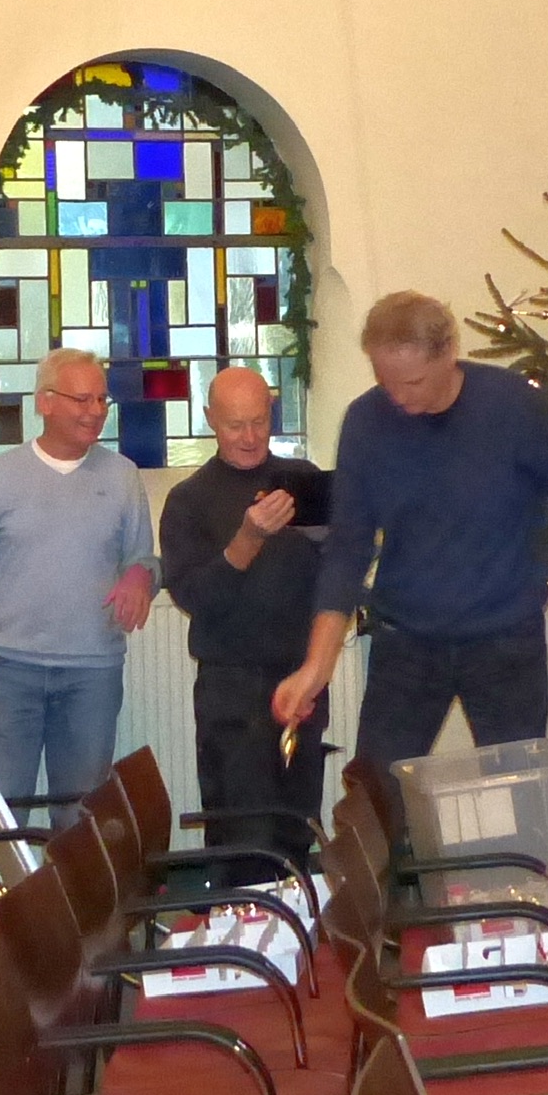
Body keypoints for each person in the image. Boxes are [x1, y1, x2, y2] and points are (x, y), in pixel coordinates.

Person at [272, 293, 548, 799]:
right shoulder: (367, 422)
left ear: (448, 352)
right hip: (406, 642)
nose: (398, 399)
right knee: (375, 798)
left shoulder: (511, 405)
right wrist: (315, 666)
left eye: (411, 382)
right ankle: (385, 880)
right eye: (384, 382)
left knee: (521, 798)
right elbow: (347, 548)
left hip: (505, 642)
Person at [0, 347, 157, 820]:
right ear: (45, 402)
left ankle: (74, 898)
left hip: (93, 675)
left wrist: (143, 574)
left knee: (79, 819)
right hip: (10, 671)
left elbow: (144, 561)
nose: (96, 411)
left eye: (102, 400)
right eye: (82, 400)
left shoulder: (123, 477)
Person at [160, 366, 330, 880]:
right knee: (242, 834)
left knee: (297, 824)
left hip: (300, 679)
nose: (251, 437)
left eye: (259, 421)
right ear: (211, 420)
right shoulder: (188, 499)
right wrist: (248, 538)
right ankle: (241, 942)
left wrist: (336, 539)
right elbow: (195, 597)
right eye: (236, 425)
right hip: (231, 687)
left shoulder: (302, 479)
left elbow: (336, 578)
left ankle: (298, 936)